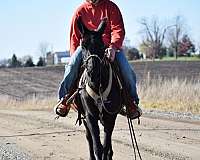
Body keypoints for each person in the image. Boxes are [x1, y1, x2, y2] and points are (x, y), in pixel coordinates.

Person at [55, 0, 142, 119]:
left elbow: (118, 30)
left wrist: (113, 47)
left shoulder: (111, 7)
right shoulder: (80, 11)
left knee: (126, 70)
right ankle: (64, 99)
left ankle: (131, 103)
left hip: (108, 46)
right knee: (72, 66)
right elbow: (74, 37)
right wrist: (75, 55)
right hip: (87, 48)